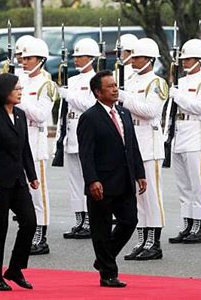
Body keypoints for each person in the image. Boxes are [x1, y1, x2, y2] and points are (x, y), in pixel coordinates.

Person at [77, 70, 146, 287]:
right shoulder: (89, 117)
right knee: (101, 229)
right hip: (102, 183)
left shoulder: (124, 114)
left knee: (129, 221)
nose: (115, 89)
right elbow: (85, 154)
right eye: (110, 86)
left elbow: (132, 146)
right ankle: (108, 273)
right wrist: (92, 180)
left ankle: (103, 259)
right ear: (98, 92)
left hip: (125, 179)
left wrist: (140, 173)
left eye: (115, 85)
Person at [0, 73, 38, 291]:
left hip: (18, 181)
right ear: (5, 91)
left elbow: (25, 148)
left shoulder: (21, 115)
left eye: (21, 88)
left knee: (30, 222)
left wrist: (32, 175)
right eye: (17, 89)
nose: (20, 91)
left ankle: (14, 268)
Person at [118, 38, 167, 260]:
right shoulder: (129, 80)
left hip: (149, 142)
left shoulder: (157, 83)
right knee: (137, 196)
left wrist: (125, 98)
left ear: (149, 59)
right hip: (132, 141)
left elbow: (149, 110)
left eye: (137, 57)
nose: (133, 60)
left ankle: (154, 242)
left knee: (151, 195)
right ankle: (141, 239)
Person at [168, 39, 201, 244]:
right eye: (184, 59)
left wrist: (178, 96)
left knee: (197, 184)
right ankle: (187, 223)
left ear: (199, 60)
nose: (185, 62)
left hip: (196, 135)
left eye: (189, 59)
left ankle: (199, 225)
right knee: (183, 185)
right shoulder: (181, 82)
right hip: (180, 134)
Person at [19, 37, 57, 255]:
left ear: (41, 60)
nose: (24, 62)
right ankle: (28, 231)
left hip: (35, 142)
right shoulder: (20, 80)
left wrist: (20, 102)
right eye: (23, 58)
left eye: (29, 58)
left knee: (38, 192)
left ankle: (41, 236)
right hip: (19, 141)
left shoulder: (47, 85)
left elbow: (42, 115)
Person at [57, 38, 98, 239]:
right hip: (70, 135)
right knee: (73, 181)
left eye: (80, 56)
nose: (76, 60)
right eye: (75, 57)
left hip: (86, 134)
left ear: (91, 58)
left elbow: (90, 106)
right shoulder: (71, 81)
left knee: (86, 179)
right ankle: (79, 219)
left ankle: (90, 219)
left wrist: (69, 96)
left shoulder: (96, 80)